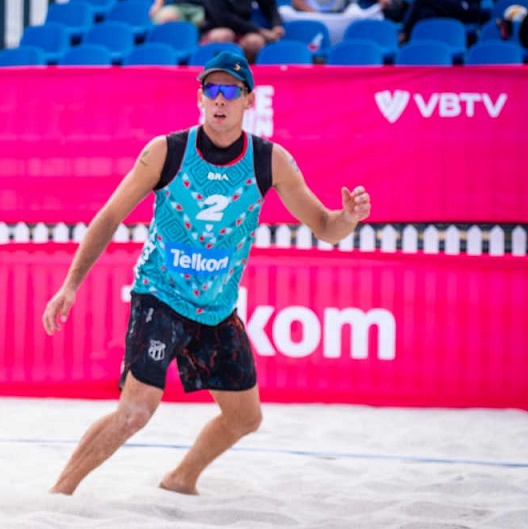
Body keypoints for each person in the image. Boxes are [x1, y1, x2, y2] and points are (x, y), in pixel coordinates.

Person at [42, 52, 371, 497]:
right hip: (160, 293)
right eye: (212, 90)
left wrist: (347, 218)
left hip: (215, 309)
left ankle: (181, 478)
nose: (220, 100)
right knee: (136, 411)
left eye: (230, 91)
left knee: (246, 418)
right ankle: (60, 493)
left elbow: (325, 227)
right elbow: (109, 215)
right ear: (200, 97)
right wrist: (70, 284)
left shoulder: (269, 161)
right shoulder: (167, 151)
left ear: (248, 101)